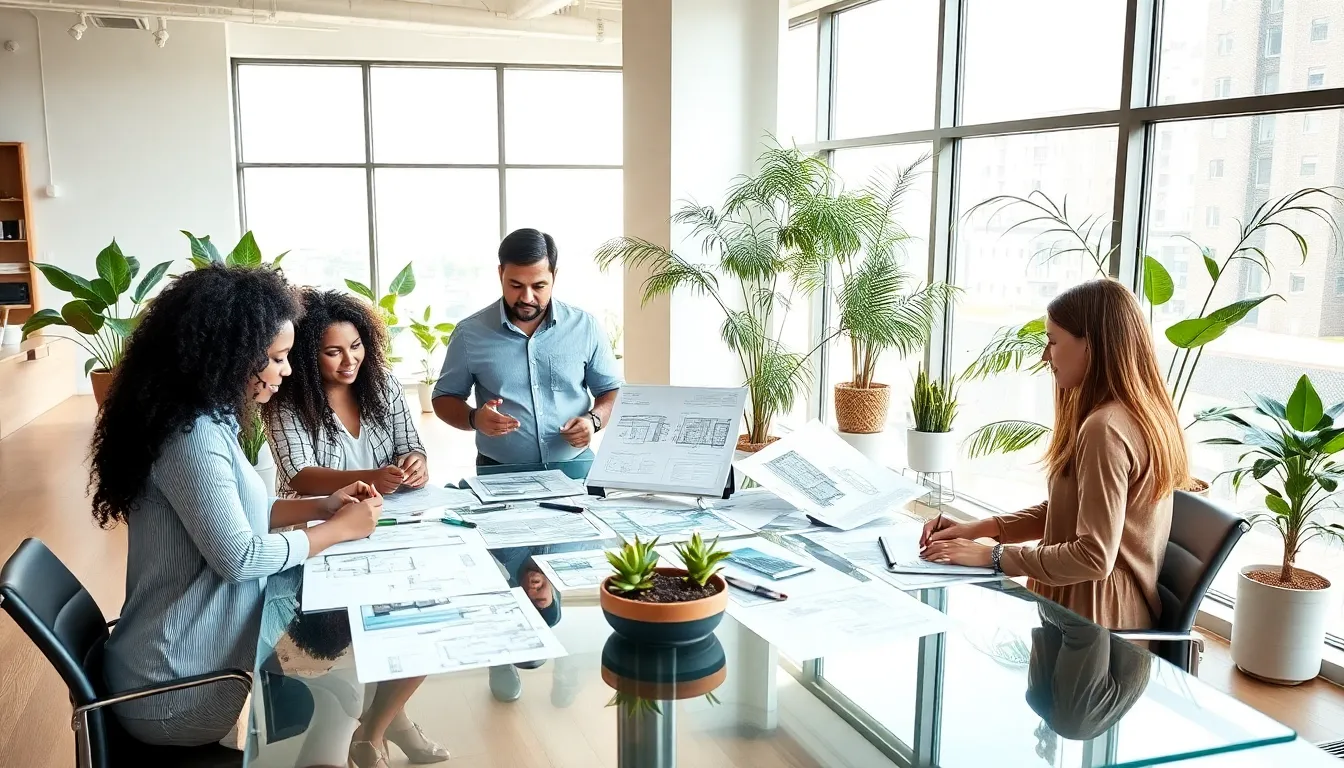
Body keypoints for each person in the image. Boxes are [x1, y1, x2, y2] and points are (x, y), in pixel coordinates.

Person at [91, 266, 383, 748]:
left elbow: (245, 511)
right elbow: (240, 557)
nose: (287, 371)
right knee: (340, 700)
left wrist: (323, 505)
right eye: (277, 358)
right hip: (175, 690)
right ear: (231, 357)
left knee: (336, 692)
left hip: (176, 660)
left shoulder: (205, 418)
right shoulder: (192, 439)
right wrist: (337, 531)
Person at [920, 278, 1188, 630]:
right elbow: (1072, 510)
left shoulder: (1104, 428)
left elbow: (1094, 556)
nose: (1046, 355)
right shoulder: (1135, 414)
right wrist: (979, 529)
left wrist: (993, 556)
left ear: (1090, 345)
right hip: (1096, 606)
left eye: (1052, 341)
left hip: (1096, 622)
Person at [263, 288, 447, 767]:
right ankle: (384, 727)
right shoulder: (289, 400)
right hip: (329, 533)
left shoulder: (383, 384)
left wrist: (415, 463)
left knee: (433, 615)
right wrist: (365, 479)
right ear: (308, 354)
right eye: (333, 352)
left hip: (397, 524)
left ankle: (378, 727)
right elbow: (298, 474)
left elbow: (412, 444)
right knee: (382, 629)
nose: (350, 361)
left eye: (357, 347)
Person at [431, 228, 623, 466]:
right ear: (500, 273)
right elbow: (444, 398)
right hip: (499, 471)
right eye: (516, 285)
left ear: (555, 276)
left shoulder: (585, 327)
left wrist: (594, 421)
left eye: (539, 286)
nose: (527, 297)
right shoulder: (469, 333)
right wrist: (474, 418)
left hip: (575, 466)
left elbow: (613, 391)